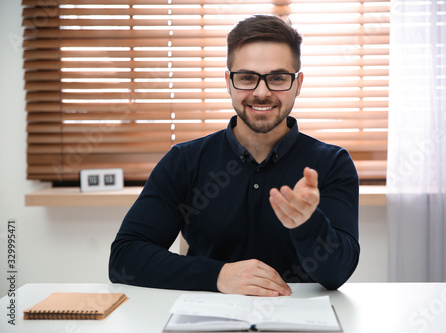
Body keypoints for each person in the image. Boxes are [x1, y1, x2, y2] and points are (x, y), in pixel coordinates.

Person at [109, 14, 359, 297]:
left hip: (301, 320)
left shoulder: (332, 163)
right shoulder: (184, 160)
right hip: (205, 319)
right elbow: (124, 259)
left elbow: (337, 275)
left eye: (277, 78)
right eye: (247, 78)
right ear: (228, 82)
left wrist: (307, 222)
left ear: (298, 84)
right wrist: (217, 275)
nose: (261, 92)